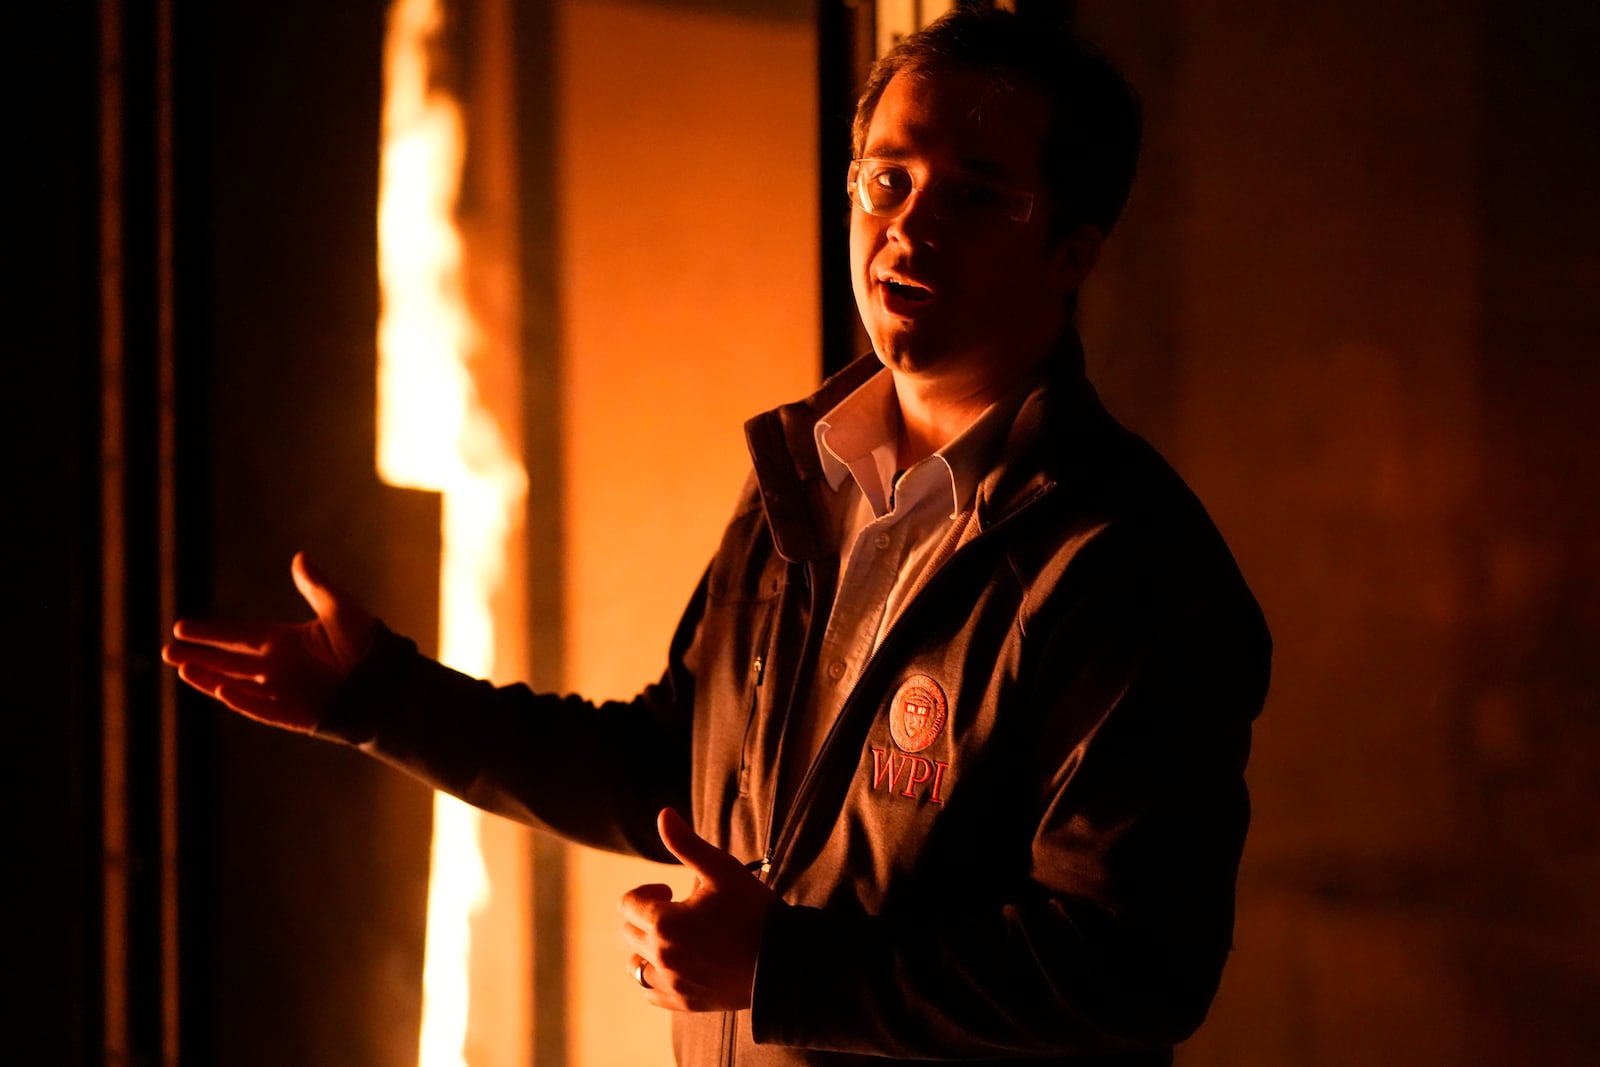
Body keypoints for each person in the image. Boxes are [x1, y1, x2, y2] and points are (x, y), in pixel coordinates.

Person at [164, 9, 1270, 1066]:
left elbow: (1135, 966)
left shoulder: (1126, 561)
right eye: (888, 178)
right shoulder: (803, 478)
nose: (910, 225)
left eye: (978, 197)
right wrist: (380, 698)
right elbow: (674, 766)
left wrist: (782, 963)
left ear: (1072, 252)